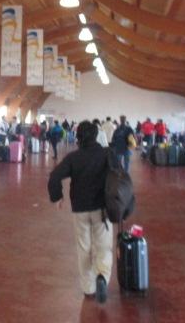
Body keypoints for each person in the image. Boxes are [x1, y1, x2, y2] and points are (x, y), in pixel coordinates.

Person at [47, 120, 112, 303]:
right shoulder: (106, 154)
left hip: (80, 209)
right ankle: (102, 277)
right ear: (96, 135)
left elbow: (54, 176)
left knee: (84, 248)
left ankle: (88, 288)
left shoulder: (73, 157)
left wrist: (57, 197)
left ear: (78, 137)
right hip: (102, 209)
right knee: (103, 246)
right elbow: (120, 176)